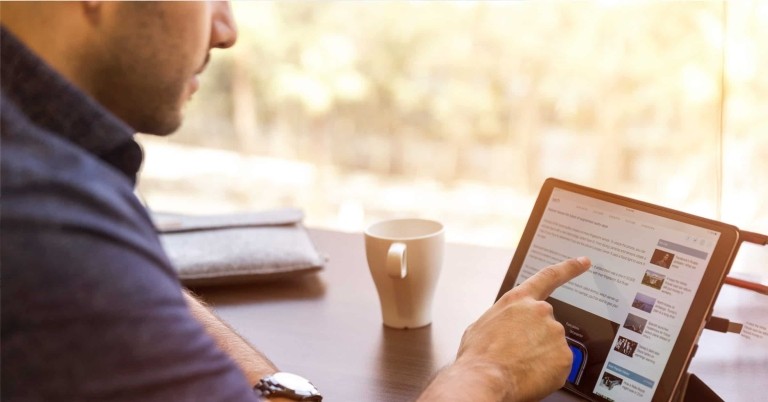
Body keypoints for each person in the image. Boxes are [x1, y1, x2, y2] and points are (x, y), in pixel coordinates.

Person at [0, 2, 591, 401]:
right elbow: (75, 272)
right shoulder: (39, 216)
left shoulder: (48, 183)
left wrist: (265, 384)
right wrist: (487, 372)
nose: (226, 30)